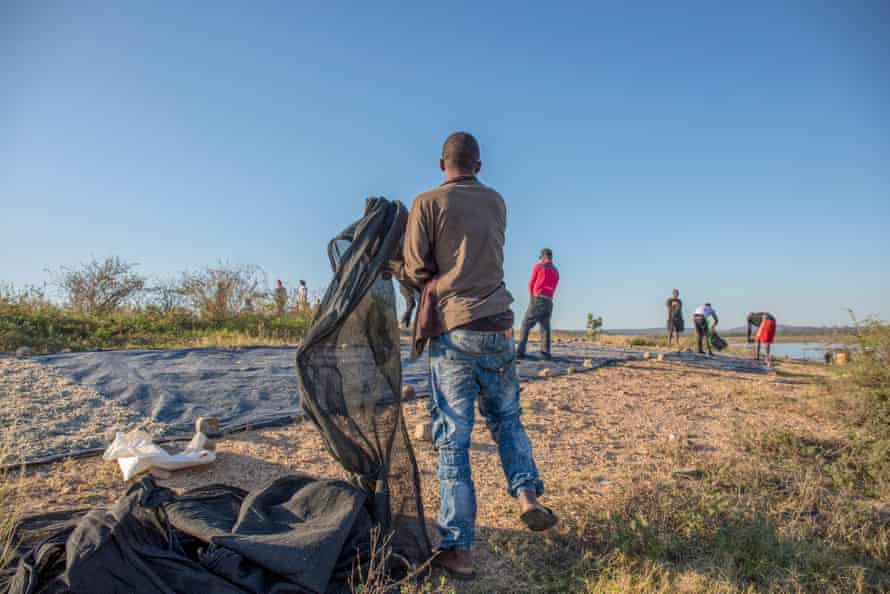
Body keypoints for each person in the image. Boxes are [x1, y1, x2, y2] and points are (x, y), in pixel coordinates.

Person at [400, 132, 556, 579]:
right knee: (507, 418)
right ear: (479, 166)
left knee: (453, 440)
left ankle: (459, 549)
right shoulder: (497, 201)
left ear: (441, 163)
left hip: (456, 330)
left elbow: (414, 268)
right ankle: (526, 493)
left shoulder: (426, 202)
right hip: (499, 327)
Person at [516, 249, 559, 360]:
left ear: (543, 257)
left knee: (525, 324)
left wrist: (532, 299)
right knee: (545, 327)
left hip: (538, 298)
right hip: (549, 300)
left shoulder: (539, 266)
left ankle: (520, 352)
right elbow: (554, 287)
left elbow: (531, 284)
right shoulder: (556, 271)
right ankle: (545, 353)